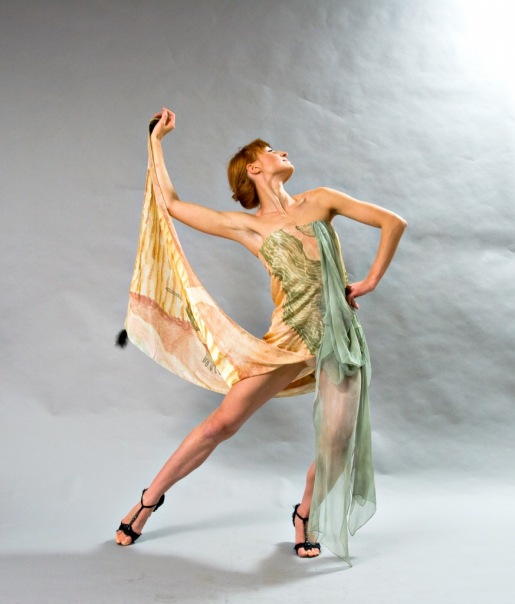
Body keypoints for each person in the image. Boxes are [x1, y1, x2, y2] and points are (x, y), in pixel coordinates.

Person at [115, 107, 407, 561]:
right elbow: (171, 204)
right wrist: (155, 142)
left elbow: (393, 222)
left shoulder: (321, 199)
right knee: (222, 424)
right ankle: (148, 500)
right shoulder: (249, 226)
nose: (281, 151)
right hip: (288, 340)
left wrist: (369, 281)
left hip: (340, 336)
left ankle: (305, 514)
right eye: (270, 150)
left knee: (337, 442)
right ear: (253, 168)